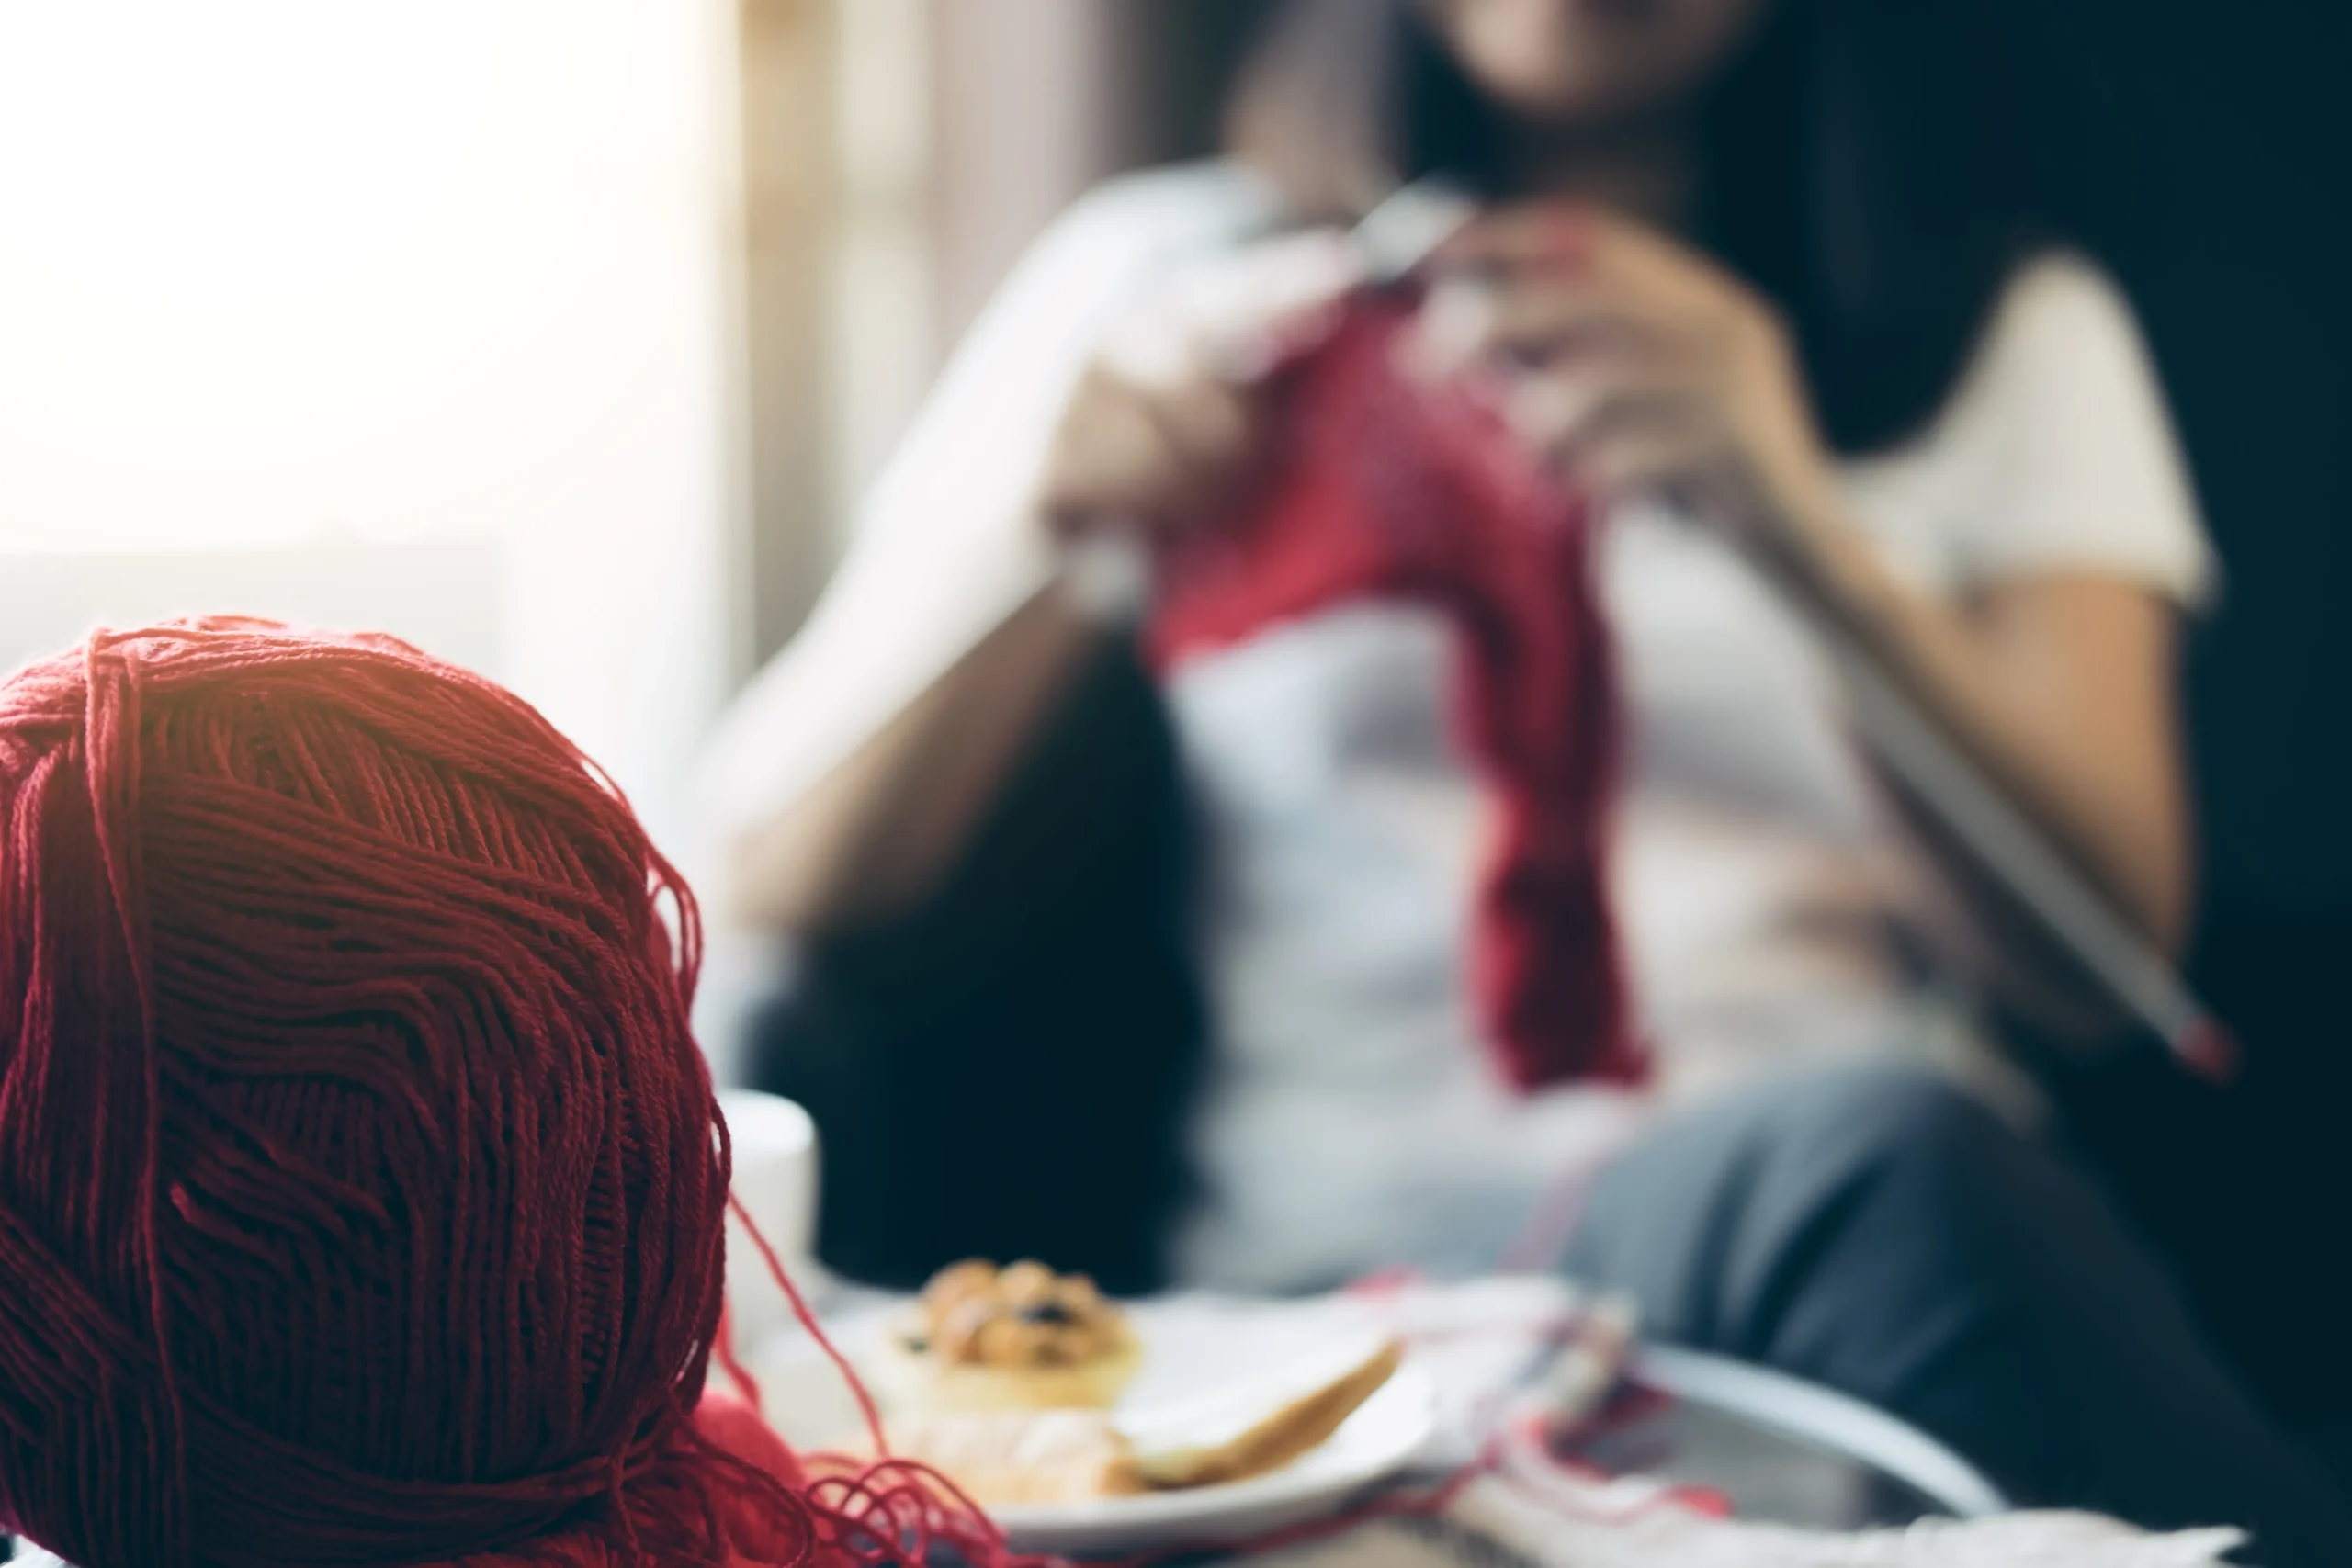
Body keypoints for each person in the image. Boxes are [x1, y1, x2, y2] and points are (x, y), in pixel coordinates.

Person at [697, 0, 2352, 1559]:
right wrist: (1046, 543)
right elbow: (775, 875)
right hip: (1339, 1283)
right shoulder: (1176, 284)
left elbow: (2102, 965)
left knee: (1880, 1147)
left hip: (1829, 1251)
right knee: (1888, 1151)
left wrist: (1792, 519)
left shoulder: (1992, 327)